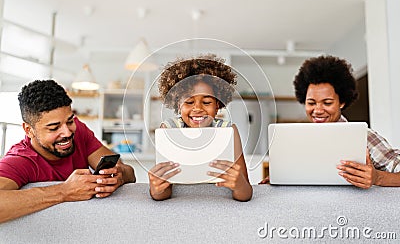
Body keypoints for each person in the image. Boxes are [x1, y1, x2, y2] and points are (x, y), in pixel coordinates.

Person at [0, 80, 136, 223]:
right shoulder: (20, 160)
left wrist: (119, 176)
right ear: (29, 130)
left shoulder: (79, 131)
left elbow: (129, 173)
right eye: (54, 128)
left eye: (70, 121)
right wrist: (64, 191)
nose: (67, 132)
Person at [271, 55, 399, 188]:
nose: (318, 110)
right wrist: (281, 178)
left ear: (342, 102)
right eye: (311, 103)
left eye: (327, 103)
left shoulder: (362, 136)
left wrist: (377, 177)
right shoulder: (298, 138)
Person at [148, 54, 253, 201]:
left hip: (220, 203)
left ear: (217, 105)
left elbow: (245, 193)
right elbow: (163, 194)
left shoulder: (228, 131)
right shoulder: (169, 129)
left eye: (207, 102)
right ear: (179, 105)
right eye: (189, 102)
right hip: (180, 205)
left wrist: (239, 184)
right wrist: (156, 189)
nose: (197, 108)